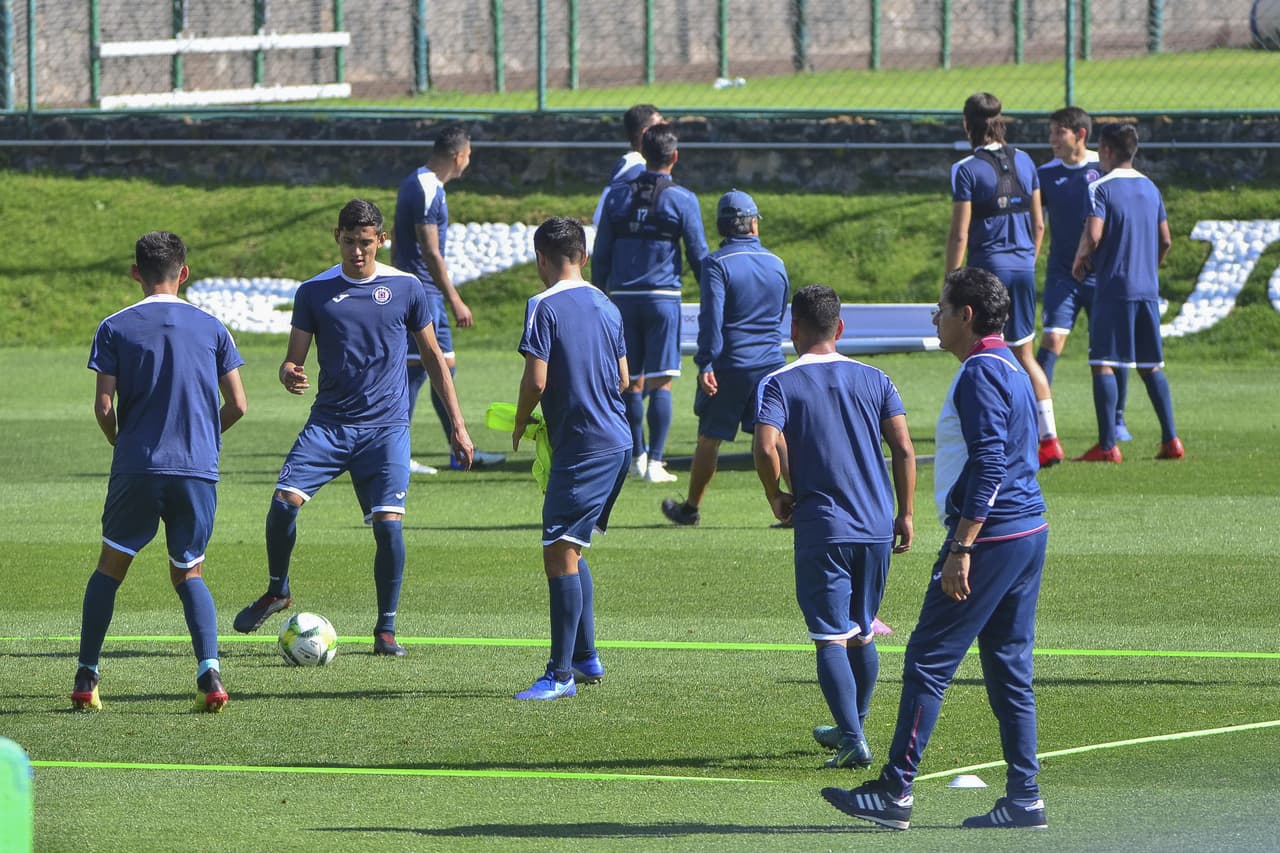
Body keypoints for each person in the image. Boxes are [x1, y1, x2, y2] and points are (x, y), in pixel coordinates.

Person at [821, 267, 1049, 831]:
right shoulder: (1012, 367)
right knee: (1008, 667)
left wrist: (962, 546)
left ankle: (895, 791)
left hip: (992, 537)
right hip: (1026, 531)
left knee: (927, 659)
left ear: (966, 316)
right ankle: (1025, 797)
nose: (935, 317)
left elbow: (992, 463)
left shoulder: (979, 373)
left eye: (942, 308)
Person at [233, 199, 474, 655]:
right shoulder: (314, 291)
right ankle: (277, 590)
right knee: (283, 503)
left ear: (381, 240)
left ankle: (385, 629)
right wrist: (288, 372)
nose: (357, 252)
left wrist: (458, 428)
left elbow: (434, 359)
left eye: (366, 243)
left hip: (386, 428)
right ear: (336, 237)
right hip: (330, 424)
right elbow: (293, 358)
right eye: (349, 242)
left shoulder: (405, 287)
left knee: (388, 525)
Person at [74, 231, 247, 713]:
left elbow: (104, 405)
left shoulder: (114, 326)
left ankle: (87, 678)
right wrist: (203, 440)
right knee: (190, 571)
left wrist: (119, 441)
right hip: (196, 470)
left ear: (136, 273)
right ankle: (209, 673)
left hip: (137, 466)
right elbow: (238, 403)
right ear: (184, 273)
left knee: (110, 568)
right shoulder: (213, 327)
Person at [754, 285, 915, 769]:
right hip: (875, 526)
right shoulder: (877, 378)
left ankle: (851, 738)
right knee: (862, 630)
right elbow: (904, 450)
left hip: (824, 526)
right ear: (840, 328)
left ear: (793, 329)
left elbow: (765, 447)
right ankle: (854, 726)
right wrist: (905, 514)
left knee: (828, 635)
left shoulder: (779, 382)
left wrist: (775, 494)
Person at [512, 217, 631, 700]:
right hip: (617, 441)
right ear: (582, 256)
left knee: (558, 551)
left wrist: (522, 421)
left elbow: (536, 380)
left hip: (584, 445)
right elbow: (624, 379)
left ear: (542, 258)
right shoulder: (606, 303)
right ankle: (585, 657)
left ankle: (559, 675)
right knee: (573, 547)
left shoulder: (542, 305)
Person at [947, 92, 1063, 468]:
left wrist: (952, 281)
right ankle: (1049, 439)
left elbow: (960, 234)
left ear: (968, 124)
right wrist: (1027, 259)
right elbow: (1039, 223)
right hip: (1023, 269)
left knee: (981, 354)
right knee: (1025, 355)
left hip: (987, 272)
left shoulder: (965, 168)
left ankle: (990, 430)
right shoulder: (1026, 160)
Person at [661, 189, 789, 526]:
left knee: (710, 437)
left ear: (722, 227)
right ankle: (798, 505)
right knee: (776, 436)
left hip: (730, 365)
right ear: (754, 225)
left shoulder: (716, 264)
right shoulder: (777, 264)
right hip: (772, 363)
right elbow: (779, 315)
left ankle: (690, 509)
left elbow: (712, 319)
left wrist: (706, 362)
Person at [592, 122, 709, 483]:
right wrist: (713, 296)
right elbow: (698, 254)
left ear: (643, 155)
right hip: (663, 298)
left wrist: (600, 297)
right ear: (674, 157)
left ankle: (636, 456)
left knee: (629, 380)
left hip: (623, 299)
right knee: (662, 380)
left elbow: (601, 255)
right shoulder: (683, 198)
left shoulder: (616, 196)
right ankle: (656, 462)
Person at [393, 124, 506, 475]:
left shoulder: (420, 183)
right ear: (458, 156)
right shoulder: (426, 188)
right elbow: (430, 251)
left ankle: (459, 450)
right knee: (414, 373)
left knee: (444, 368)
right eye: (469, 156)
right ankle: (397, 455)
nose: (468, 163)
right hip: (422, 293)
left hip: (421, 292)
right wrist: (455, 298)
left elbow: (398, 242)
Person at [1071, 123, 1184, 463]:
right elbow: (1166, 239)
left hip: (1114, 287)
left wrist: (1081, 258)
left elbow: (1093, 234)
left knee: (1102, 362)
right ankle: (1171, 440)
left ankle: (1107, 446)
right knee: (1151, 365)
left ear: (1105, 150)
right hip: (1147, 288)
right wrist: (1151, 268)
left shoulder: (1100, 187)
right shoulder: (1151, 188)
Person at [1036, 106, 1132, 442]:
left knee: (1109, 350)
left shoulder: (1101, 169)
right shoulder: (1045, 174)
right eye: (1050, 133)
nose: (1052, 140)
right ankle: (1038, 421)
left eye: (1058, 132)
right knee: (1051, 340)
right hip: (1063, 276)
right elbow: (1038, 222)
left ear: (1080, 135)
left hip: (1102, 276)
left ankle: (1117, 420)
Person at [591, 104, 664, 228]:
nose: (667, 128)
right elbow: (601, 219)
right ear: (645, 132)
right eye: (661, 124)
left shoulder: (634, 162)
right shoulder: (636, 167)